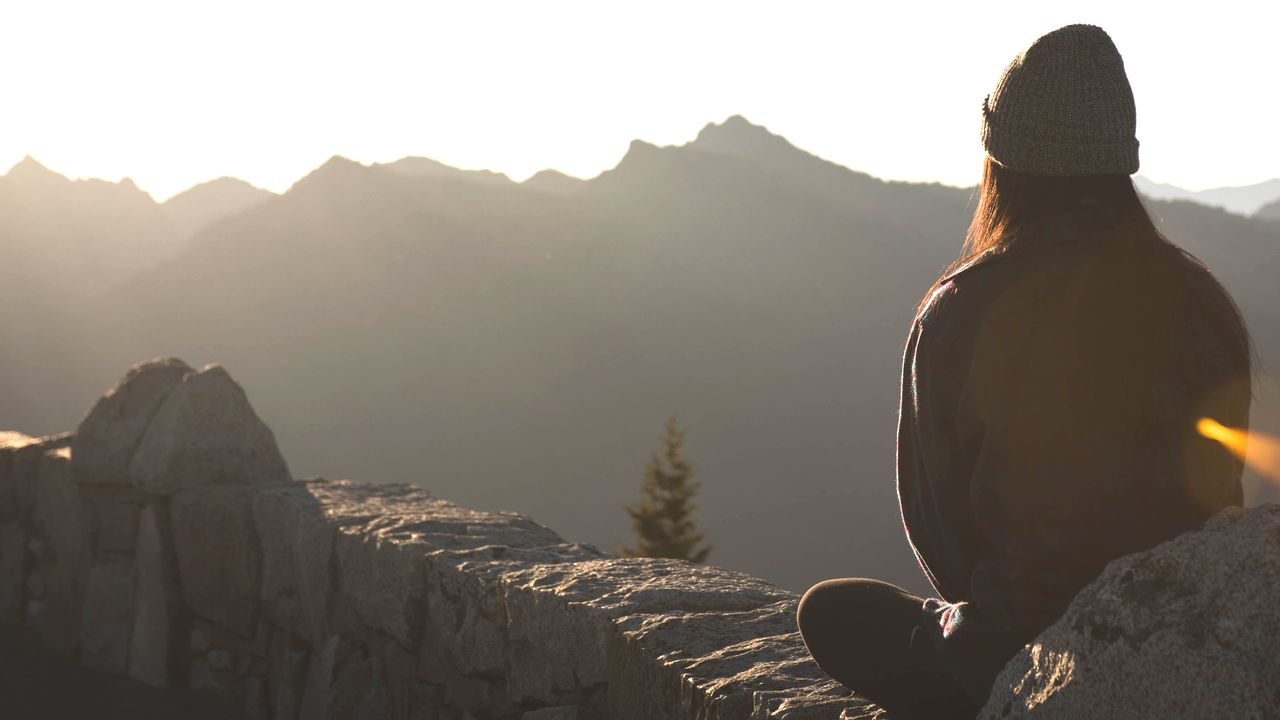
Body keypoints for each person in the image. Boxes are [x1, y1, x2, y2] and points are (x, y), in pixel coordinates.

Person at [795, 23, 1253, 720]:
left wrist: (987, 621)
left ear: (1001, 164)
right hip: (1187, 634)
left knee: (833, 611)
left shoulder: (962, 309)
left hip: (1022, 657)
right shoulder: (1199, 301)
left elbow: (939, 527)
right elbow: (1219, 495)